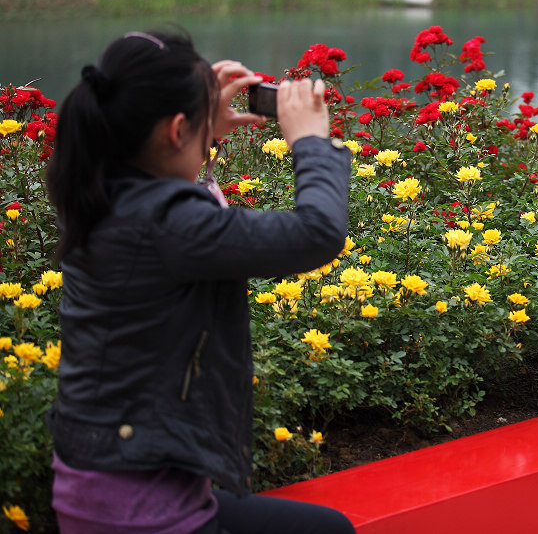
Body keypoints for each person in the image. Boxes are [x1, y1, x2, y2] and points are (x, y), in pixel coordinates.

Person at [44, 30, 355, 533]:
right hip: (139, 510)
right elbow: (317, 233)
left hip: (114, 476)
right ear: (174, 131)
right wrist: (313, 143)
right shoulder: (164, 222)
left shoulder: (103, 188)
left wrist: (199, 130)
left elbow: (174, 200)